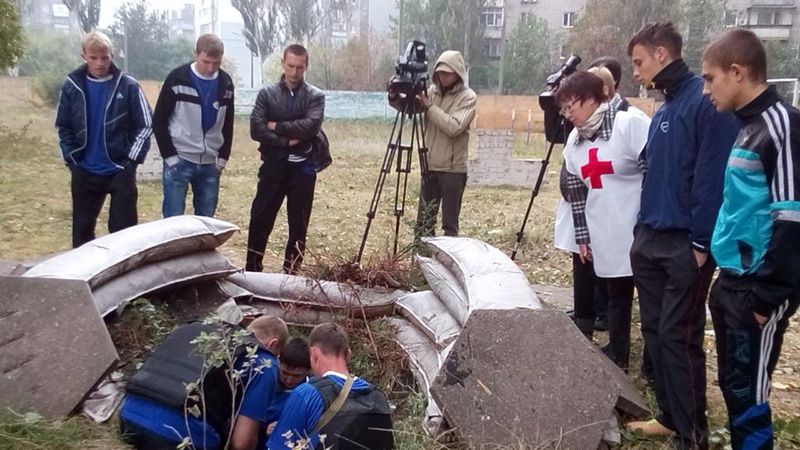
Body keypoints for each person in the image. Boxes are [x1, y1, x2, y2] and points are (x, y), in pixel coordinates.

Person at [624, 22, 740, 449]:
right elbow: (655, 172)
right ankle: (671, 417)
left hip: (684, 245)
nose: (635, 71)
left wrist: (699, 243)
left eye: (639, 62)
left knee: (679, 336)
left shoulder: (704, 102)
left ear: (660, 54)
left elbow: (712, 176)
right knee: (655, 333)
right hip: (651, 238)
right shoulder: (667, 106)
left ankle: (695, 434)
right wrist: (640, 230)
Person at [702, 28, 800, 450]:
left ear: (737, 72)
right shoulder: (747, 127)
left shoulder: (783, 126)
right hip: (731, 280)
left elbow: (792, 218)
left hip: (756, 288)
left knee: (749, 392)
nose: (705, 89)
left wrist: (766, 297)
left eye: (710, 78)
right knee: (731, 383)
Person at [556, 71, 650, 369]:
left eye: (572, 106)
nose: (568, 114)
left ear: (595, 98)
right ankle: (618, 352)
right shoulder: (575, 141)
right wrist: (581, 237)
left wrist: (651, 222)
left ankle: (654, 364)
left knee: (649, 302)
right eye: (564, 109)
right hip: (603, 229)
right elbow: (576, 191)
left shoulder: (630, 124)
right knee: (615, 295)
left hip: (639, 229)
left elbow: (655, 171)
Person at [120, 316, 294, 450]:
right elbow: (242, 442)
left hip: (128, 416)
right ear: (273, 344)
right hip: (177, 437)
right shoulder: (264, 362)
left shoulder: (198, 329)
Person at [55, 30, 152, 248]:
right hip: (85, 169)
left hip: (119, 170)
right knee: (82, 233)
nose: (100, 63)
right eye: (94, 58)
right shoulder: (72, 85)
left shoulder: (128, 85)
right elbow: (63, 126)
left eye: (105, 57)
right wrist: (73, 160)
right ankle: (83, 279)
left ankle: (123, 278)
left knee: (124, 235)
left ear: (112, 56)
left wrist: (131, 162)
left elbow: (145, 124)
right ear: (84, 56)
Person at [246, 44, 325, 274]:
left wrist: (277, 125)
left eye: (299, 67)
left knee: (298, 226)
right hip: (273, 166)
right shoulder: (267, 94)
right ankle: (252, 270)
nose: (294, 72)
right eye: (290, 66)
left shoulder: (315, 96)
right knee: (260, 219)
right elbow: (256, 129)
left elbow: (310, 126)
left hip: (303, 169)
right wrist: (285, 141)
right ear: (283, 63)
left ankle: (291, 274)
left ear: (306, 66)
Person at [388, 50, 477, 239]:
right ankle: (422, 260)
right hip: (430, 166)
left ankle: (446, 264)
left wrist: (429, 106)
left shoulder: (468, 97)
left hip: (453, 170)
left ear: (458, 73)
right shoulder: (431, 92)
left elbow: (454, 127)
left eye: (448, 73)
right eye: (440, 73)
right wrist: (395, 96)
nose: (443, 77)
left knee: (449, 226)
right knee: (424, 222)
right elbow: (409, 110)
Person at [267, 322, 393, 449]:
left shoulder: (307, 394)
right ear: (348, 356)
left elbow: (278, 447)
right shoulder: (378, 397)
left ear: (314, 354)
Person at [153, 33, 235, 218]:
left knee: (206, 222)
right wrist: (170, 157)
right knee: (173, 221)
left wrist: (222, 159)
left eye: (217, 63)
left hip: (210, 162)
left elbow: (228, 122)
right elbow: (159, 120)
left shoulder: (226, 82)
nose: (211, 68)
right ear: (196, 54)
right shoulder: (177, 78)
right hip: (180, 158)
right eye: (206, 62)